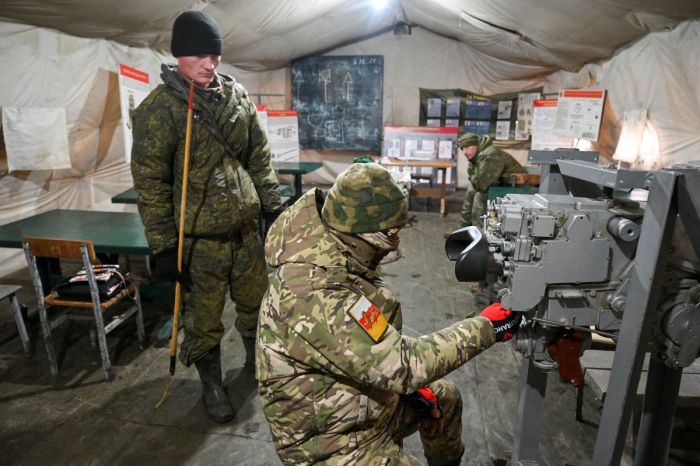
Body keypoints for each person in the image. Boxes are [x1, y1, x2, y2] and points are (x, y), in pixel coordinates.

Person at [256, 163, 520, 465]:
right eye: (391, 236)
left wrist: (406, 392)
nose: (394, 244)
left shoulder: (334, 255)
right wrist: (488, 327)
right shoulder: (315, 293)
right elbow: (405, 365)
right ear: (364, 237)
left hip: (355, 406)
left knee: (443, 397)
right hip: (329, 442)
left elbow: (375, 338)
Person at [131, 11, 283, 424]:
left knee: (257, 304)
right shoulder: (159, 111)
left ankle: (257, 366)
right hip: (199, 242)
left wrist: (272, 206)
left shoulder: (237, 98)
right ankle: (212, 384)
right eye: (199, 55)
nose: (209, 63)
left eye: (214, 54)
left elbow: (258, 158)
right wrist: (163, 246)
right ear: (179, 54)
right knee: (203, 319)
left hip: (245, 233)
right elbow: (151, 184)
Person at [457, 132, 525, 228]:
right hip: (504, 184)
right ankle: (464, 230)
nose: (464, 152)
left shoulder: (490, 155)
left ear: (476, 145)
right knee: (471, 190)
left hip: (518, 188)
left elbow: (482, 185)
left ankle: (479, 234)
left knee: (480, 195)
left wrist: (471, 174)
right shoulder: (478, 156)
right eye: (462, 148)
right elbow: (478, 182)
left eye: (467, 147)